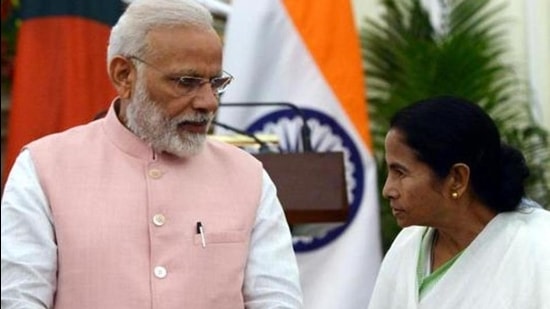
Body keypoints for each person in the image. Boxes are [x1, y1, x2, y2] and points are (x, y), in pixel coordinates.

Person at [0, 0, 303, 308]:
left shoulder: (247, 177)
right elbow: (18, 299)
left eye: (216, 83)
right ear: (124, 75)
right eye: (187, 82)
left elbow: (276, 300)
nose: (208, 102)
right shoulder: (44, 169)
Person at [367, 96, 550, 309]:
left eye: (400, 172)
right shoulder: (407, 244)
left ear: (457, 179)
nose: (387, 190)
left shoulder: (539, 248)